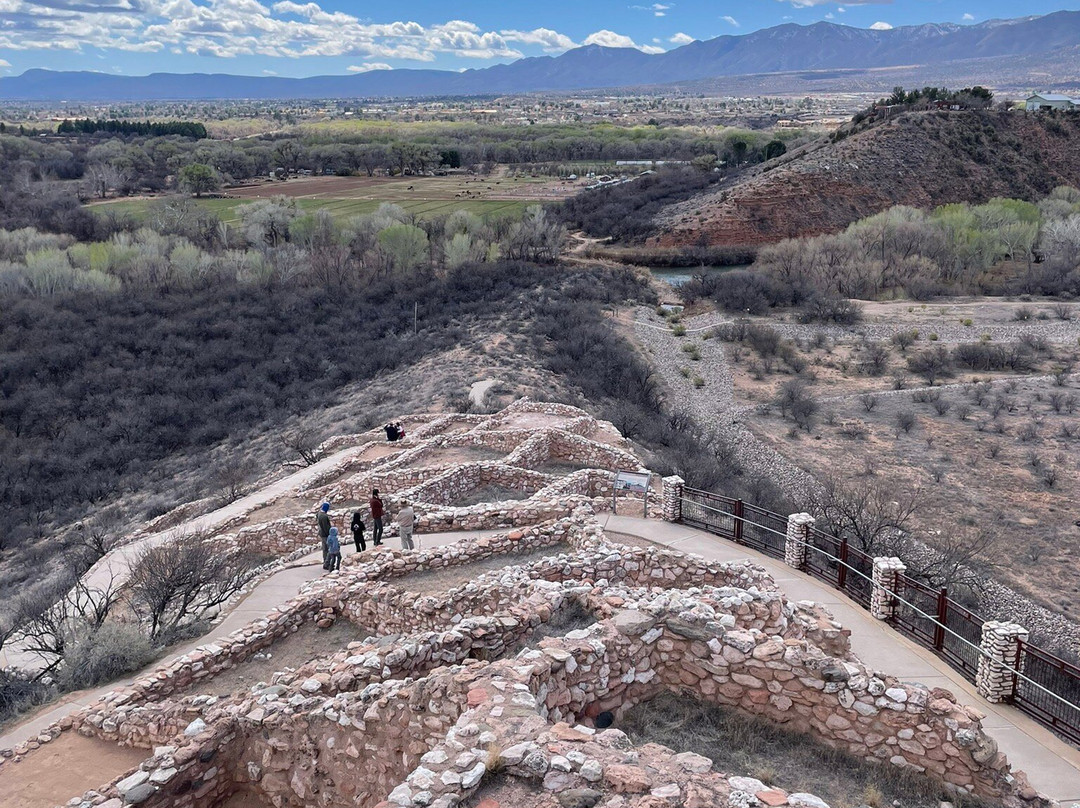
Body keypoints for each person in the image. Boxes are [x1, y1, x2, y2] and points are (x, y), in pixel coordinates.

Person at [317, 502, 332, 568]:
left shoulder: (319, 514)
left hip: (321, 534)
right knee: (329, 549)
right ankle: (327, 563)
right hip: (326, 535)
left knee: (325, 549)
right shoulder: (324, 516)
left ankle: (325, 561)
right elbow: (326, 527)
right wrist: (329, 534)